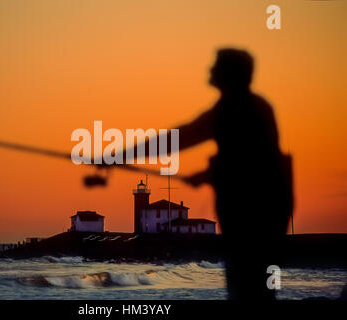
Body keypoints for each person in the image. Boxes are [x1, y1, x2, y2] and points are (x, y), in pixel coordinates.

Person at [104, 48, 293, 299]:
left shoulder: (231, 108)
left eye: (216, 65)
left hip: (249, 213)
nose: (210, 70)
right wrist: (208, 174)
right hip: (269, 208)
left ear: (229, 73)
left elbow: (178, 138)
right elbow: (251, 160)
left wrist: (118, 156)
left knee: (246, 285)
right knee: (257, 286)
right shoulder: (257, 106)